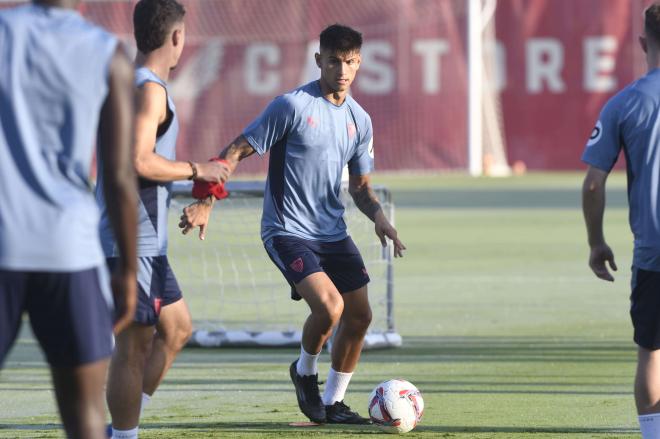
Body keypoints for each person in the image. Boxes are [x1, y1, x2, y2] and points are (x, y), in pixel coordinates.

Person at [180, 24, 405, 424]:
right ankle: (304, 373)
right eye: (334, 60)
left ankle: (334, 403)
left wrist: (379, 218)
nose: (342, 69)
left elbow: (361, 187)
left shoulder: (360, 120)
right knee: (331, 307)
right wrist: (205, 201)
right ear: (318, 60)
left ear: (360, 64)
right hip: (285, 230)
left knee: (360, 315)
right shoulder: (292, 106)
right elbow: (235, 149)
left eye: (350, 62)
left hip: (331, 232)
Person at [0, 0, 138, 438]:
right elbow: (118, 177)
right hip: (70, 251)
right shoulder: (107, 53)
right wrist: (130, 270)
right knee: (85, 418)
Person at [95, 0, 229, 437]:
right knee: (134, 345)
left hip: (145, 240)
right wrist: (197, 169)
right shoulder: (149, 89)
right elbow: (138, 160)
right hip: (134, 239)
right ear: (176, 37)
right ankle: (123, 433)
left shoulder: (129, 82)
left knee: (175, 329)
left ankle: (124, 421)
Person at [582, 4, 660, 438]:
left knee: (651, 352)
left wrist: (596, 241)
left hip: (654, 256)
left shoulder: (626, 102)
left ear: (643, 43)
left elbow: (594, 184)